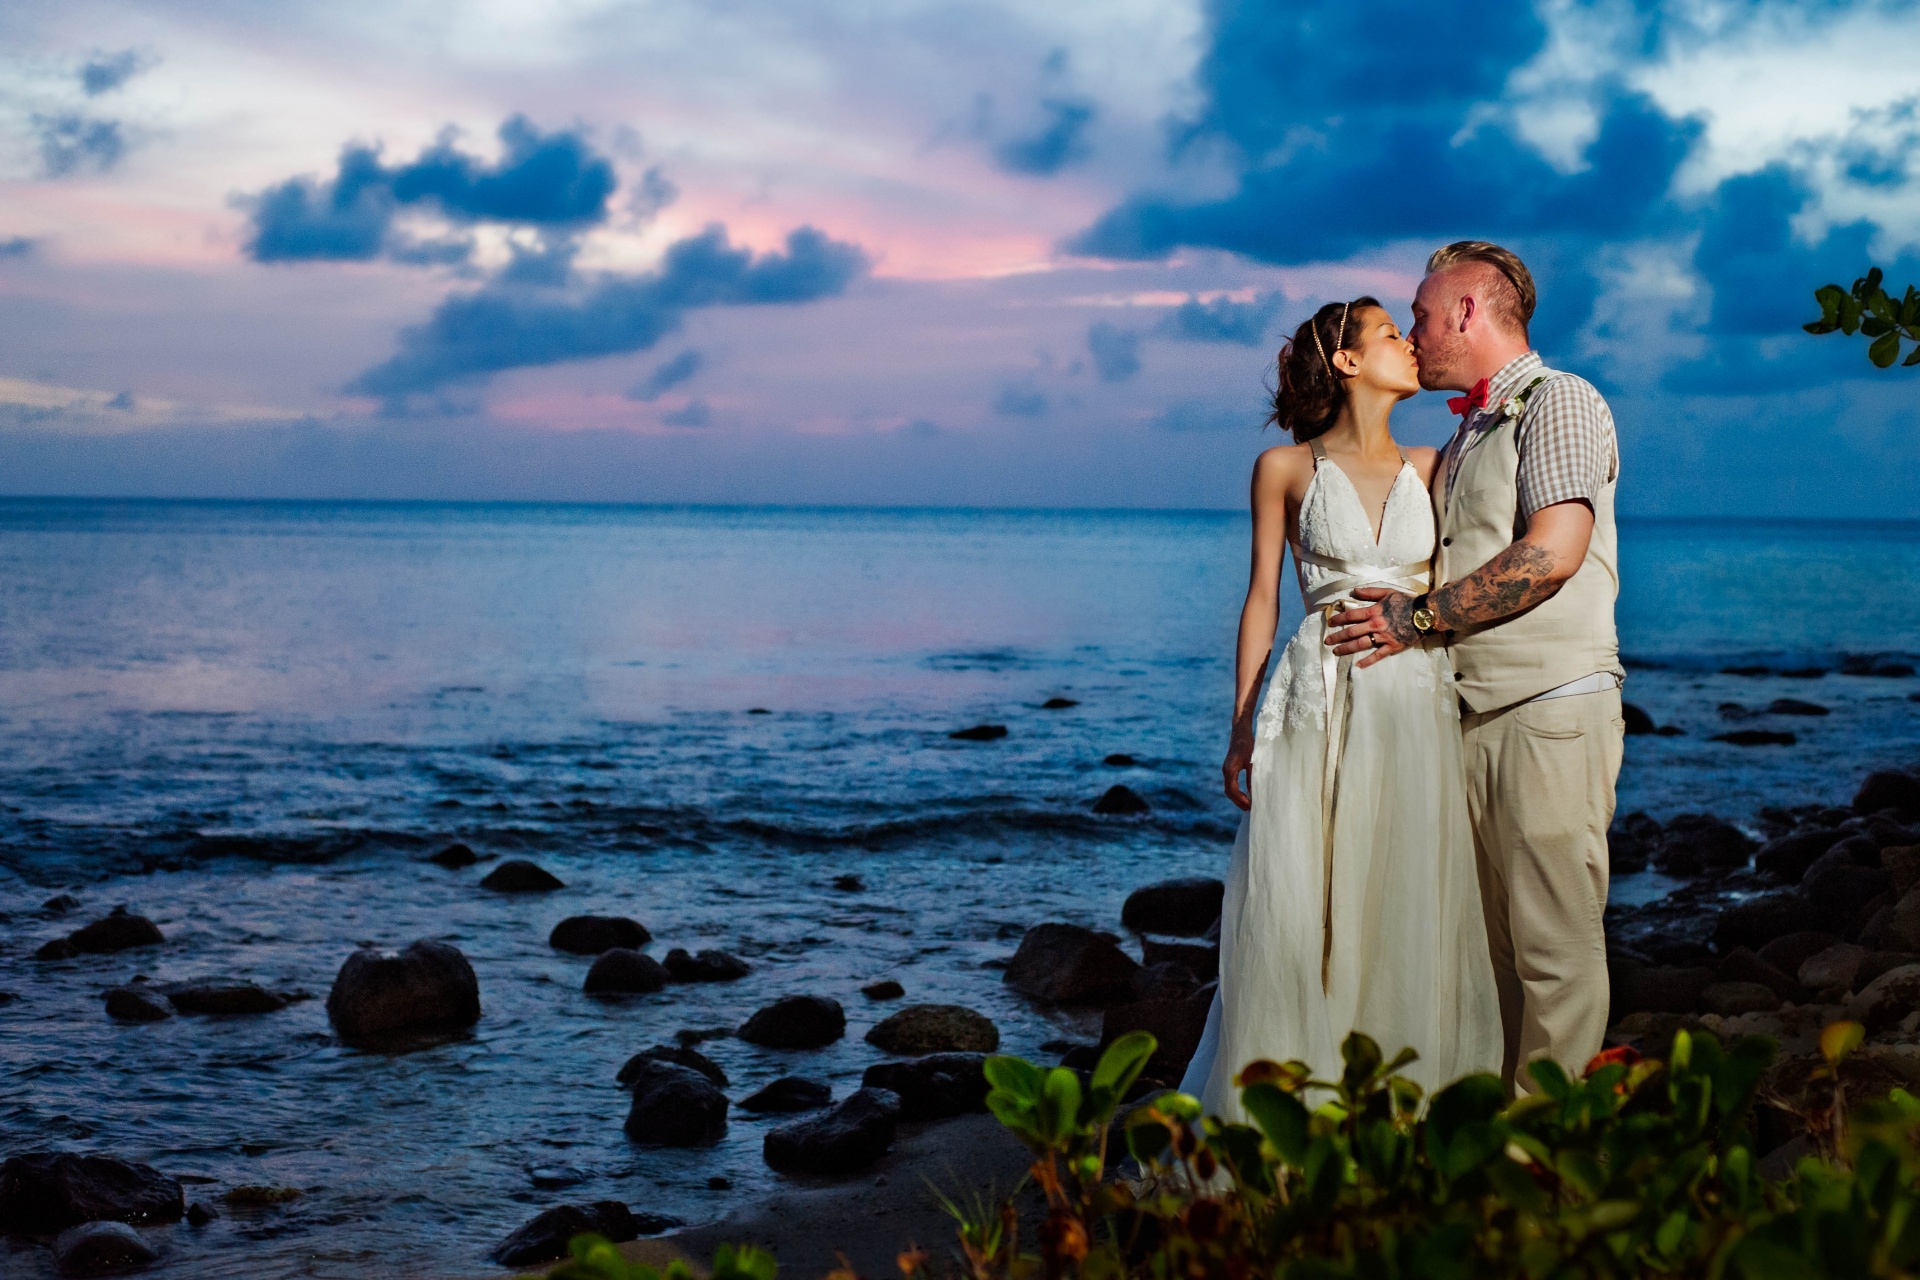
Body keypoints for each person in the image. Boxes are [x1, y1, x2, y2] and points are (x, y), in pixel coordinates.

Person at [1181, 294, 1502, 1118]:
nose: (1409, 344)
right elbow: (1261, 599)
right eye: (1391, 334)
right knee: (1301, 899)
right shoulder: (1284, 469)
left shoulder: (1435, 465)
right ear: (1349, 363)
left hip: (1411, 694)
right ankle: (1294, 1114)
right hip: (1316, 690)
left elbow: (1470, 578)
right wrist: (1242, 721)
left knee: (1404, 885)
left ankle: (1401, 1109)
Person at [1326, 242, 1625, 1095]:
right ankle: (1494, 1154)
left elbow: (1553, 552)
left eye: (1421, 315)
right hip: (1470, 715)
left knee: (1553, 951)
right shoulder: (1465, 432)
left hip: (1549, 708)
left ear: (1466, 309)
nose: (1415, 335)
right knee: (1489, 950)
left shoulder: (1557, 401)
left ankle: (1547, 1153)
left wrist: (1414, 621)